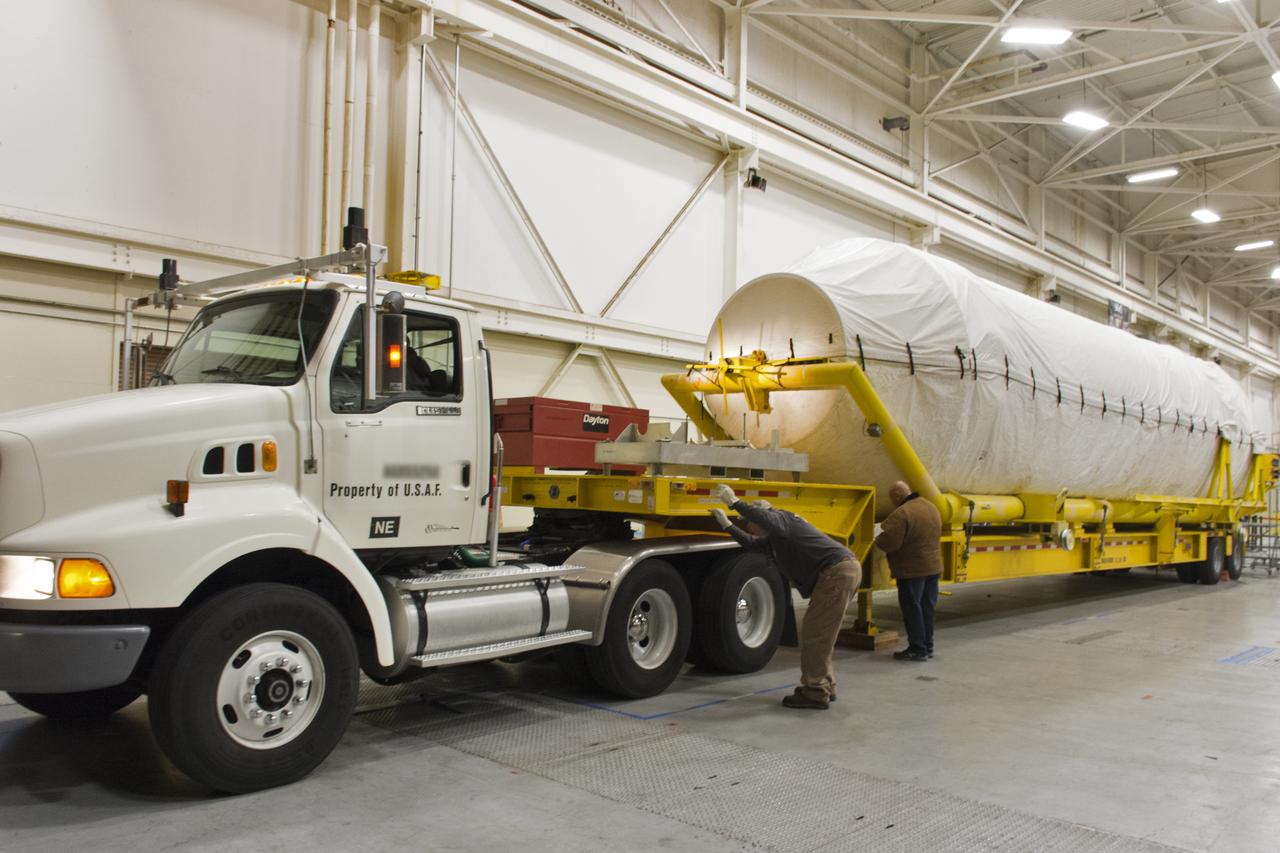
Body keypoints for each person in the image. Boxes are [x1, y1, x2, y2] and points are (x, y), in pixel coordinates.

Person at [709, 484, 861, 710]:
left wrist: (734, 502)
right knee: (821, 633)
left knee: (816, 634)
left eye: (749, 522)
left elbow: (765, 519)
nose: (749, 528)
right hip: (838, 573)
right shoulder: (775, 538)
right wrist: (727, 525)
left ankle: (815, 691)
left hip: (835, 573)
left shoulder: (781, 520)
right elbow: (751, 543)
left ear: (761, 518)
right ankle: (825, 685)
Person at [875, 480, 943, 661]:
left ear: (897, 496)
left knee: (912, 608)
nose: (892, 502)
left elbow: (890, 543)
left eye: (892, 498)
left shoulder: (902, 513)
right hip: (933, 566)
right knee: (927, 607)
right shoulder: (931, 507)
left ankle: (917, 648)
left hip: (912, 570)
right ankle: (927, 646)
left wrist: (877, 538)